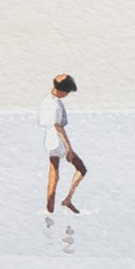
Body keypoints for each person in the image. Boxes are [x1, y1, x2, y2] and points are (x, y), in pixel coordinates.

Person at [44, 73, 85, 215]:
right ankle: (64, 201)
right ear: (61, 91)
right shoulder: (54, 104)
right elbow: (58, 127)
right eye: (67, 93)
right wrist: (69, 149)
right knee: (81, 169)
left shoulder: (48, 101)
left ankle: (51, 208)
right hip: (57, 141)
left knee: (54, 174)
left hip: (50, 140)